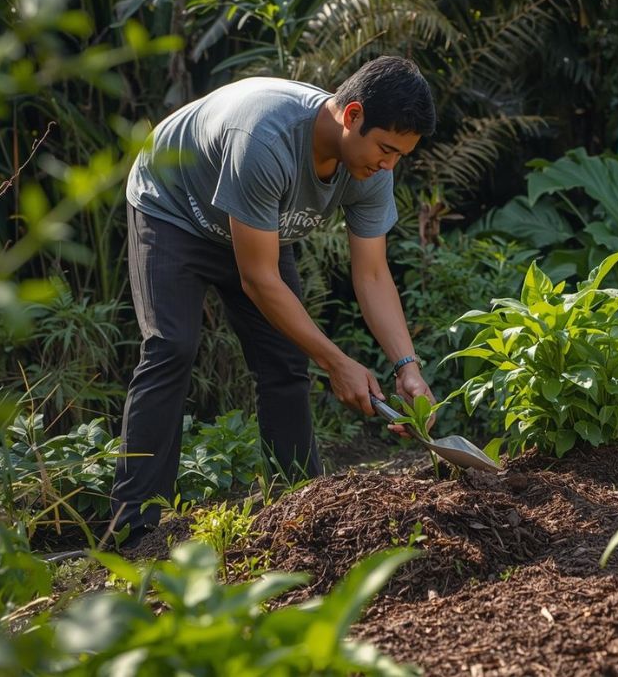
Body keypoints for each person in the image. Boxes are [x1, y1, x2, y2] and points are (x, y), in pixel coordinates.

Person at [109, 56, 437, 547]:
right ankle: (132, 529)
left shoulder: (372, 169)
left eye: (400, 156)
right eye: (386, 149)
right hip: (173, 205)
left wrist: (406, 365)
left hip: (257, 228)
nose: (389, 165)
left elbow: (371, 274)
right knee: (171, 346)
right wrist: (336, 360)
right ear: (351, 115)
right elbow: (258, 278)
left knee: (285, 361)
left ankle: (304, 505)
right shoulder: (265, 138)